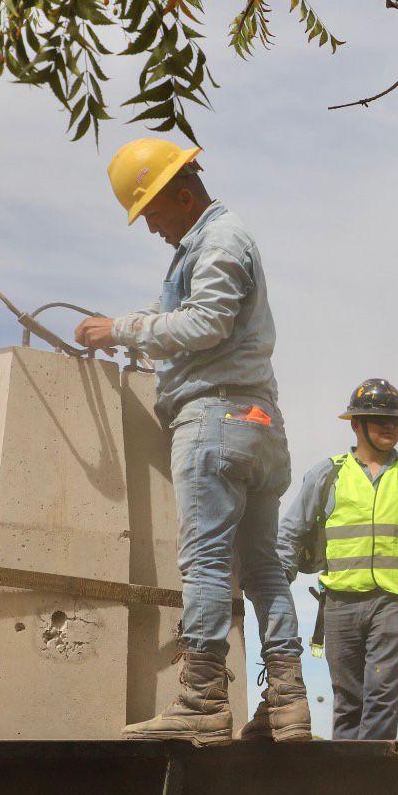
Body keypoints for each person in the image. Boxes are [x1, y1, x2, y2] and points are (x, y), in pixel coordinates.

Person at [74, 138, 311, 745]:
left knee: (204, 560)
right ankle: (287, 704)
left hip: (214, 419)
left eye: (151, 212)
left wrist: (121, 329)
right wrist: (129, 331)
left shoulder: (220, 240)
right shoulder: (204, 246)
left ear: (183, 196)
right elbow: (178, 315)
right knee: (262, 568)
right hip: (258, 424)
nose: (149, 226)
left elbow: (207, 323)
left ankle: (204, 698)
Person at [277, 379, 398, 740]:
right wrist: (276, 583)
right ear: (355, 424)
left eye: (395, 420)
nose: (390, 427)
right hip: (340, 601)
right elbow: (290, 532)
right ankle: (348, 785)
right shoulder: (327, 473)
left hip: (396, 601)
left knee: (381, 696)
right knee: (348, 701)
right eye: (380, 420)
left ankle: (370, 783)